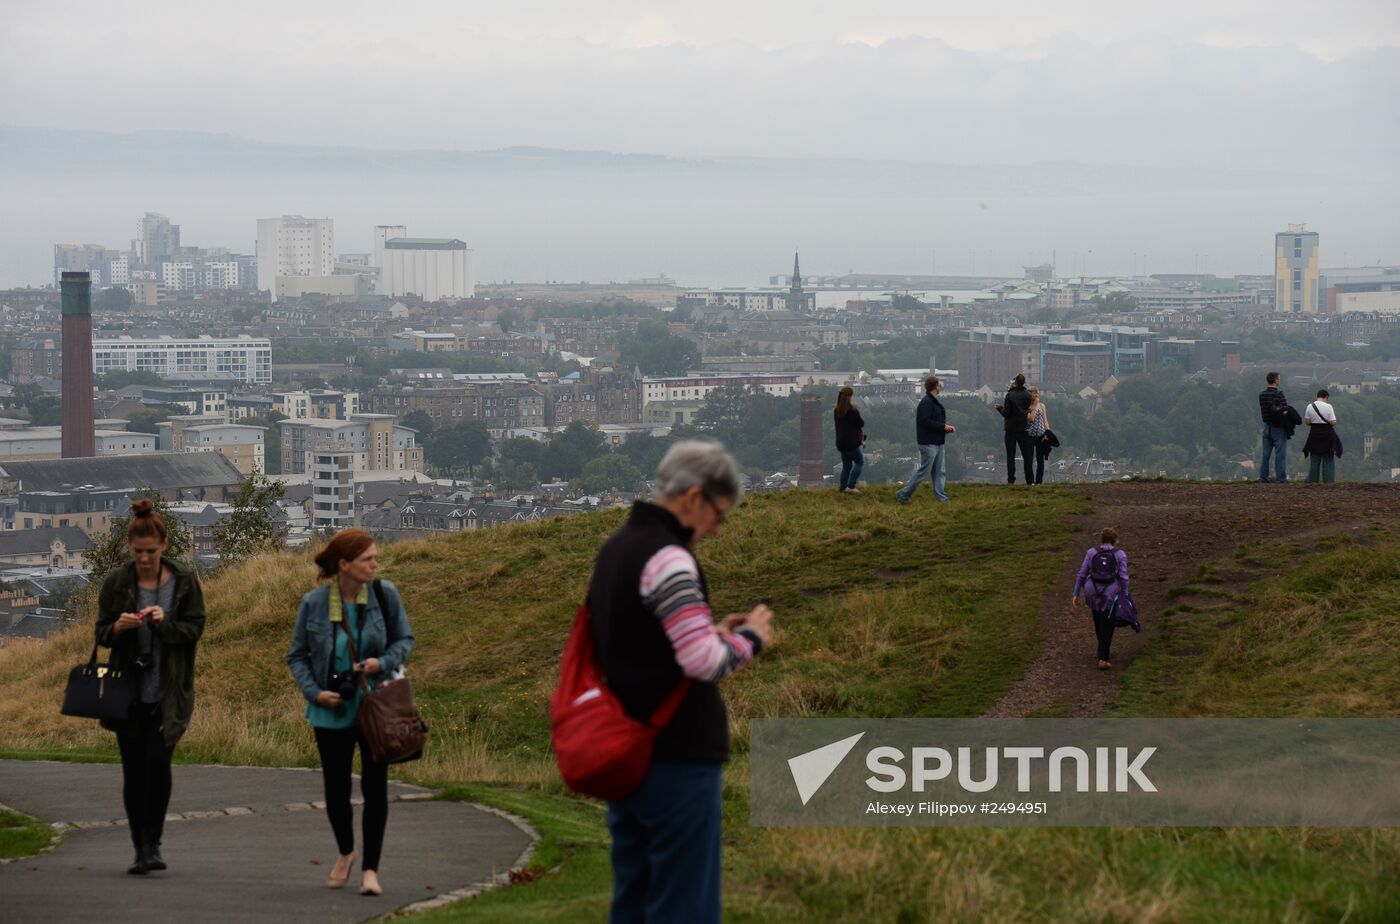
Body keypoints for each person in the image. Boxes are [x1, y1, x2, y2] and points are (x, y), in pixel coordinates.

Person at [589, 440, 774, 924]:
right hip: (676, 757)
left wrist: (707, 633)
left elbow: (638, 645)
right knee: (683, 904)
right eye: (718, 514)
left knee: (634, 897)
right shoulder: (669, 559)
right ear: (693, 497)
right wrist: (751, 639)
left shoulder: (617, 549)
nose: (715, 530)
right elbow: (703, 662)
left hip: (628, 749)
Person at [287, 528, 415, 897]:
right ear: (344, 565)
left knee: (376, 790)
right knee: (336, 790)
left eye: (375, 557)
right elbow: (297, 655)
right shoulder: (314, 603)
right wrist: (314, 693)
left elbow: (405, 640)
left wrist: (382, 662)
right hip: (331, 708)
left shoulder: (383, 595)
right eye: (368, 559)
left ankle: (370, 871)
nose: (375, 564)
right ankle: (346, 852)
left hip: (375, 706)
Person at [94, 499, 206, 875]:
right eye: (138, 552)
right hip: (127, 693)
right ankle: (139, 848)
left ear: (165, 547)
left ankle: (154, 841)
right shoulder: (117, 583)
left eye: (151, 552)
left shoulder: (184, 583)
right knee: (133, 771)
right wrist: (119, 628)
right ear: (130, 548)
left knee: (158, 765)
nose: (144, 559)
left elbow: (194, 630)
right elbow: (101, 633)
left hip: (168, 691)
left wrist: (164, 624)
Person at [1072, 527, 1130, 670]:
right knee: (1108, 623)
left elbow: (1082, 574)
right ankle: (1102, 658)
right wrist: (1126, 594)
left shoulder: (1092, 552)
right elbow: (1123, 577)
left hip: (1092, 590)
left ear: (1101, 539)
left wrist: (1076, 593)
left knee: (1098, 619)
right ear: (1115, 540)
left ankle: (1102, 649)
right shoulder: (1120, 554)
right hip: (1110, 592)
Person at [897, 375, 956, 505]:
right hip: (929, 443)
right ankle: (904, 494)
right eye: (939, 385)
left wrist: (944, 428)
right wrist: (943, 427)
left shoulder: (932, 401)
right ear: (936, 386)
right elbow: (924, 421)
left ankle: (942, 499)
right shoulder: (926, 402)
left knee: (940, 472)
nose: (940, 387)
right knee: (923, 472)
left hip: (938, 442)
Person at [998, 374, 1035, 485]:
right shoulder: (1028, 395)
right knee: (1027, 456)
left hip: (1011, 429)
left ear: (1015, 382)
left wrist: (999, 408)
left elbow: (1006, 413)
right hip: (1023, 428)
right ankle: (1030, 480)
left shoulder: (1009, 395)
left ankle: (1011, 480)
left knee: (1011, 456)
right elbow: (1028, 407)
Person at [1302, 388, 1342, 484]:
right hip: (1327, 435)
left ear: (1317, 396)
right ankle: (1328, 482)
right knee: (1328, 459)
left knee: (1315, 459)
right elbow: (1333, 422)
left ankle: (1312, 481)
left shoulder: (1310, 406)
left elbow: (1307, 422)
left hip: (1314, 434)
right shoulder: (1328, 407)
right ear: (1326, 397)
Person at [1258, 371, 1291, 483]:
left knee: (1265, 454)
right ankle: (1281, 479)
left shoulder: (1261, 395)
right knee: (1280, 454)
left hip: (1266, 427)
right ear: (1275, 380)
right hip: (1278, 428)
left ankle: (1263, 478)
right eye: (1279, 378)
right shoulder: (1279, 394)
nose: (1279, 380)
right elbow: (1286, 409)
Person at [833, 386, 866, 494]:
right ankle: (851, 486)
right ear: (850, 397)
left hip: (841, 443)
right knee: (860, 462)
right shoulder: (852, 411)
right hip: (851, 443)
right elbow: (861, 423)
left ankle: (842, 488)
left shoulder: (837, 411)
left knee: (846, 466)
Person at [1026, 386, 1051, 485]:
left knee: (1040, 459)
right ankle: (1030, 481)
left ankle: (1039, 481)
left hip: (1041, 435)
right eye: (1034, 393)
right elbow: (1031, 418)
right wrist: (1035, 406)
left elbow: (1045, 419)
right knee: (1029, 459)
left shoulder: (1042, 406)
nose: (1036, 395)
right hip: (1029, 435)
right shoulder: (1026, 406)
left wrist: (1048, 431)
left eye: (1037, 393)